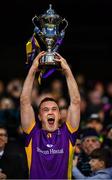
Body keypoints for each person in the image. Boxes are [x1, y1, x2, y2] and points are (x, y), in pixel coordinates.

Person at [20, 51, 81, 179]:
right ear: (39, 116)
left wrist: (67, 70)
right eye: (45, 110)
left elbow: (75, 102)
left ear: (59, 115)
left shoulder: (68, 133)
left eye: (54, 109)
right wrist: (33, 69)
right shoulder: (33, 133)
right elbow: (25, 101)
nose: (50, 112)